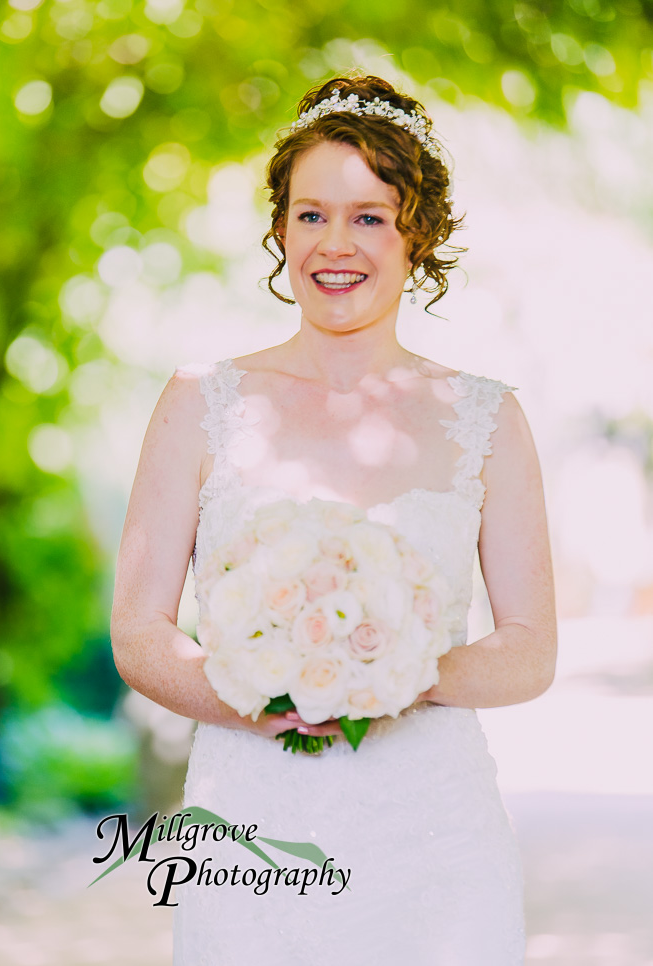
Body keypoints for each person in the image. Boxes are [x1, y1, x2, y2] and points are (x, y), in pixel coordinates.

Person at [110, 73, 557, 964]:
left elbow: (529, 649)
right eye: (310, 214)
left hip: (436, 844)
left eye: (369, 216)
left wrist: (391, 674)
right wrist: (261, 699)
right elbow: (140, 633)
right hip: (256, 836)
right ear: (279, 229)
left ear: (415, 233)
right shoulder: (200, 403)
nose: (335, 244)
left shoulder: (486, 418)